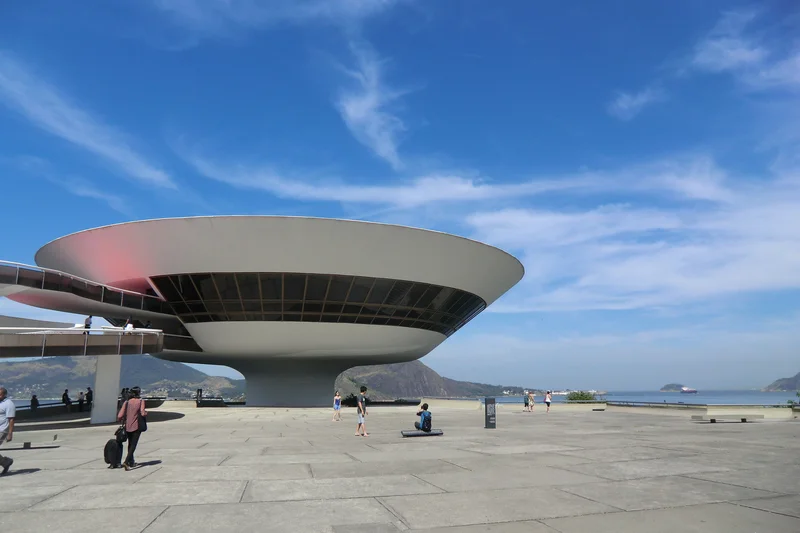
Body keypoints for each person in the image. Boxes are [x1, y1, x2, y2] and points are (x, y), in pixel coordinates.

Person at [117, 386, 147, 470]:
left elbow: (120, 415)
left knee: (130, 444)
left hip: (128, 426)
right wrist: (146, 413)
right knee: (133, 445)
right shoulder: (141, 401)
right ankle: (126, 462)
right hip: (136, 426)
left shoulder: (127, 402)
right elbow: (143, 413)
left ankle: (131, 461)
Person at [0, 387, 16, 475]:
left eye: (0, 394)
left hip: (2, 430)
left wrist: (10, 433)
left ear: (4, 395)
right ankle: (6, 462)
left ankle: (5, 462)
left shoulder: (9, 404)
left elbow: (11, 419)